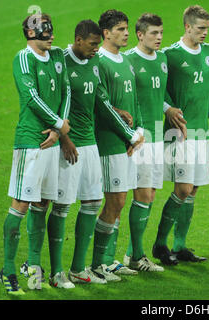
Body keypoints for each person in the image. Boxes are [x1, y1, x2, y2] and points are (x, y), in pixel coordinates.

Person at [46, 19, 136, 288]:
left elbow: (101, 99)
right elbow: (53, 102)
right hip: (68, 143)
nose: (97, 49)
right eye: (93, 44)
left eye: (99, 44)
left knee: (93, 202)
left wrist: (125, 128)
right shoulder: (60, 60)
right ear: (78, 39)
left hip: (90, 142)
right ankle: (56, 272)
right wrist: (64, 137)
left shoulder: (95, 62)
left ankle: (77, 268)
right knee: (62, 206)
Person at [0, 12, 71, 295]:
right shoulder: (23, 58)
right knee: (21, 204)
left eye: (51, 31)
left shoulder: (57, 58)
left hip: (51, 142)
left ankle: (34, 266)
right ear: (31, 34)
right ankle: (6, 270)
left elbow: (66, 93)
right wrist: (57, 124)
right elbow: (30, 97)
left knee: (43, 203)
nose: (51, 36)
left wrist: (59, 130)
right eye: (45, 32)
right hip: (31, 142)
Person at [152, 5, 209, 265]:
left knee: (194, 189)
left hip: (202, 131)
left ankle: (180, 246)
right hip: (178, 133)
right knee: (182, 189)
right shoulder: (169, 54)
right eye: (200, 28)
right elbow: (156, 90)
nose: (204, 33)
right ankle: (160, 244)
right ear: (187, 27)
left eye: (207, 29)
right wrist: (167, 108)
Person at [89, 9, 145, 281]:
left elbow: (135, 100)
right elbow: (102, 106)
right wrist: (129, 135)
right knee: (115, 200)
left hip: (128, 141)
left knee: (119, 201)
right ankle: (98, 263)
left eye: (126, 29)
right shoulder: (99, 61)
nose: (125, 33)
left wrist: (141, 129)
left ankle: (108, 261)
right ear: (106, 33)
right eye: (120, 29)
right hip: (111, 142)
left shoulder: (126, 60)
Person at [121, 13, 168, 272]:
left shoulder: (161, 59)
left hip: (158, 134)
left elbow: (156, 95)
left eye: (161, 33)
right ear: (140, 35)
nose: (159, 37)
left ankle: (132, 253)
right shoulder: (128, 60)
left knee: (149, 195)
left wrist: (169, 108)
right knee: (141, 194)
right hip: (139, 137)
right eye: (153, 33)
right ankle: (136, 256)